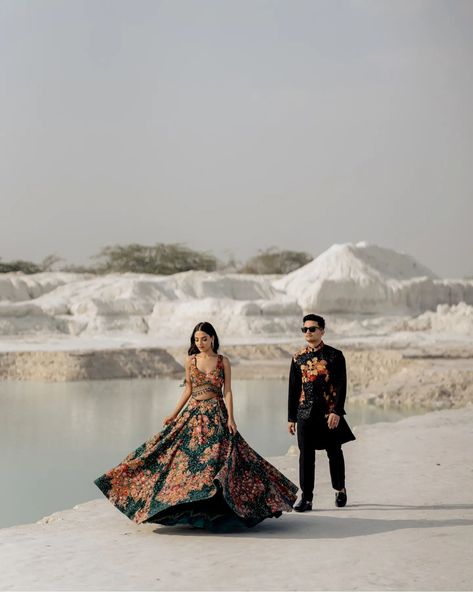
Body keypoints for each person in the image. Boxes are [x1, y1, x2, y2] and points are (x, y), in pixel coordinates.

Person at [95, 321, 298, 531]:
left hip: (216, 414)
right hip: (193, 414)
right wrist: (173, 414)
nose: (200, 343)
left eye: (204, 338)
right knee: (178, 458)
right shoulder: (190, 361)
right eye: (196, 339)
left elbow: (227, 391)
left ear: (212, 339)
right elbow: (188, 389)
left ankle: (220, 511)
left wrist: (231, 417)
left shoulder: (223, 361)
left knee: (217, 462)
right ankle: (185, 510)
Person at [288, 314, 355, 512]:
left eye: (312, 329)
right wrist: (291, 417)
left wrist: (337, 411)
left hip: (328, 415)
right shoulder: (298, 358)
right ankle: (306, 498)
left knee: (334, 453)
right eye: (305, 329)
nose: (308, 332)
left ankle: (339, 489)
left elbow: (342, 385)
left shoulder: (335, 355)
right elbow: (293, 389)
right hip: (305, 414)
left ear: (322, 331)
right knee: (305, 456)